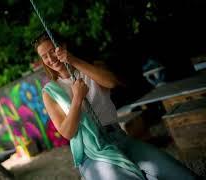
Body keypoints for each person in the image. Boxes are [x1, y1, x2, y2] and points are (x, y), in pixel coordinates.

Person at [32, 31, 197, 180]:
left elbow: (111, 82)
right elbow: (67, 132)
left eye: (52, 51)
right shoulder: (50, 92)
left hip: (119, 138)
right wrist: (77, 98)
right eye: (44, 56)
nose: (50, 59)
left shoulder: (93, 68)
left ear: (62, 47)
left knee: (180, 174)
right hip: (92, 153)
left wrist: (72, 60)